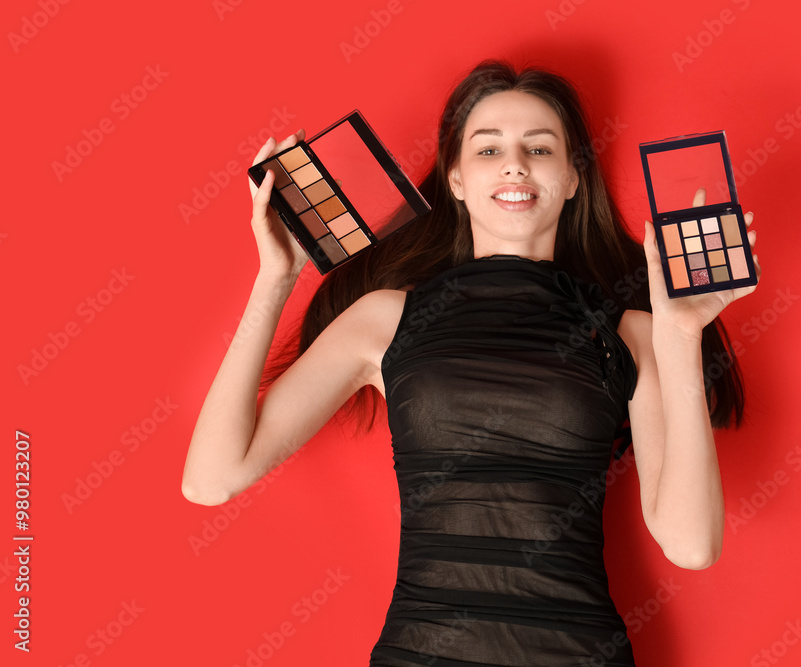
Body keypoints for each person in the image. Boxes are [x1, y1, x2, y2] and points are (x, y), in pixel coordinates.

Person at [182, 59, 759, 666]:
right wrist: (275, 278)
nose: (515, 165)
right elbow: (211, 479)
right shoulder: (385, 319)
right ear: (455, 180)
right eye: (488, 150)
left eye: (539, 148)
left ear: (572, 179)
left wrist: (681, 333)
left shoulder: (632, 333)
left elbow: (692, 545)